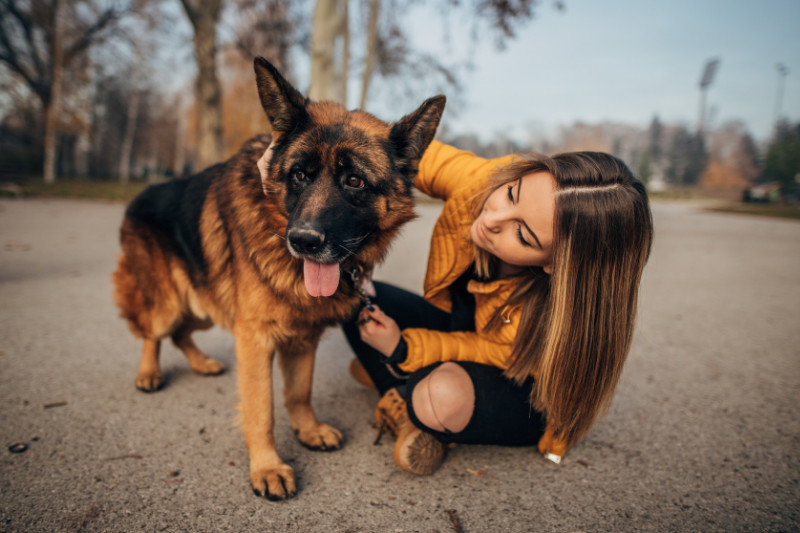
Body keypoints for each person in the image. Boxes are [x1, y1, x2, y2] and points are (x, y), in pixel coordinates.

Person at [340, 140, 654, 475]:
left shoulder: (553, 311)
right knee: (345, 293)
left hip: (520, 387)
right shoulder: (485, 182)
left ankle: (406, 397)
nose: (493, 219)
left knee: (436, 397)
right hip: (464, 327)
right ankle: (403, 386)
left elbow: (484, 348)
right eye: (511, 194)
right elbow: (397, 147)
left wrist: (403, 348)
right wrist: (291, 148)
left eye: (523, 234)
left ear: (556, 265)